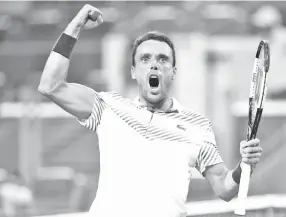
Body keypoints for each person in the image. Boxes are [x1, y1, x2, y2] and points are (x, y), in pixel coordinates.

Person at [38, 4, 263, 217]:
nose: (154, 65)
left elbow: (224, 188)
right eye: (145, 59)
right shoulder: (107, 107)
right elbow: (51, 86)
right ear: (134, 72)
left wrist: (245, 166)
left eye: (162, 59)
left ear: (173, 72)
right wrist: (76, 24)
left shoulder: (198, 126)